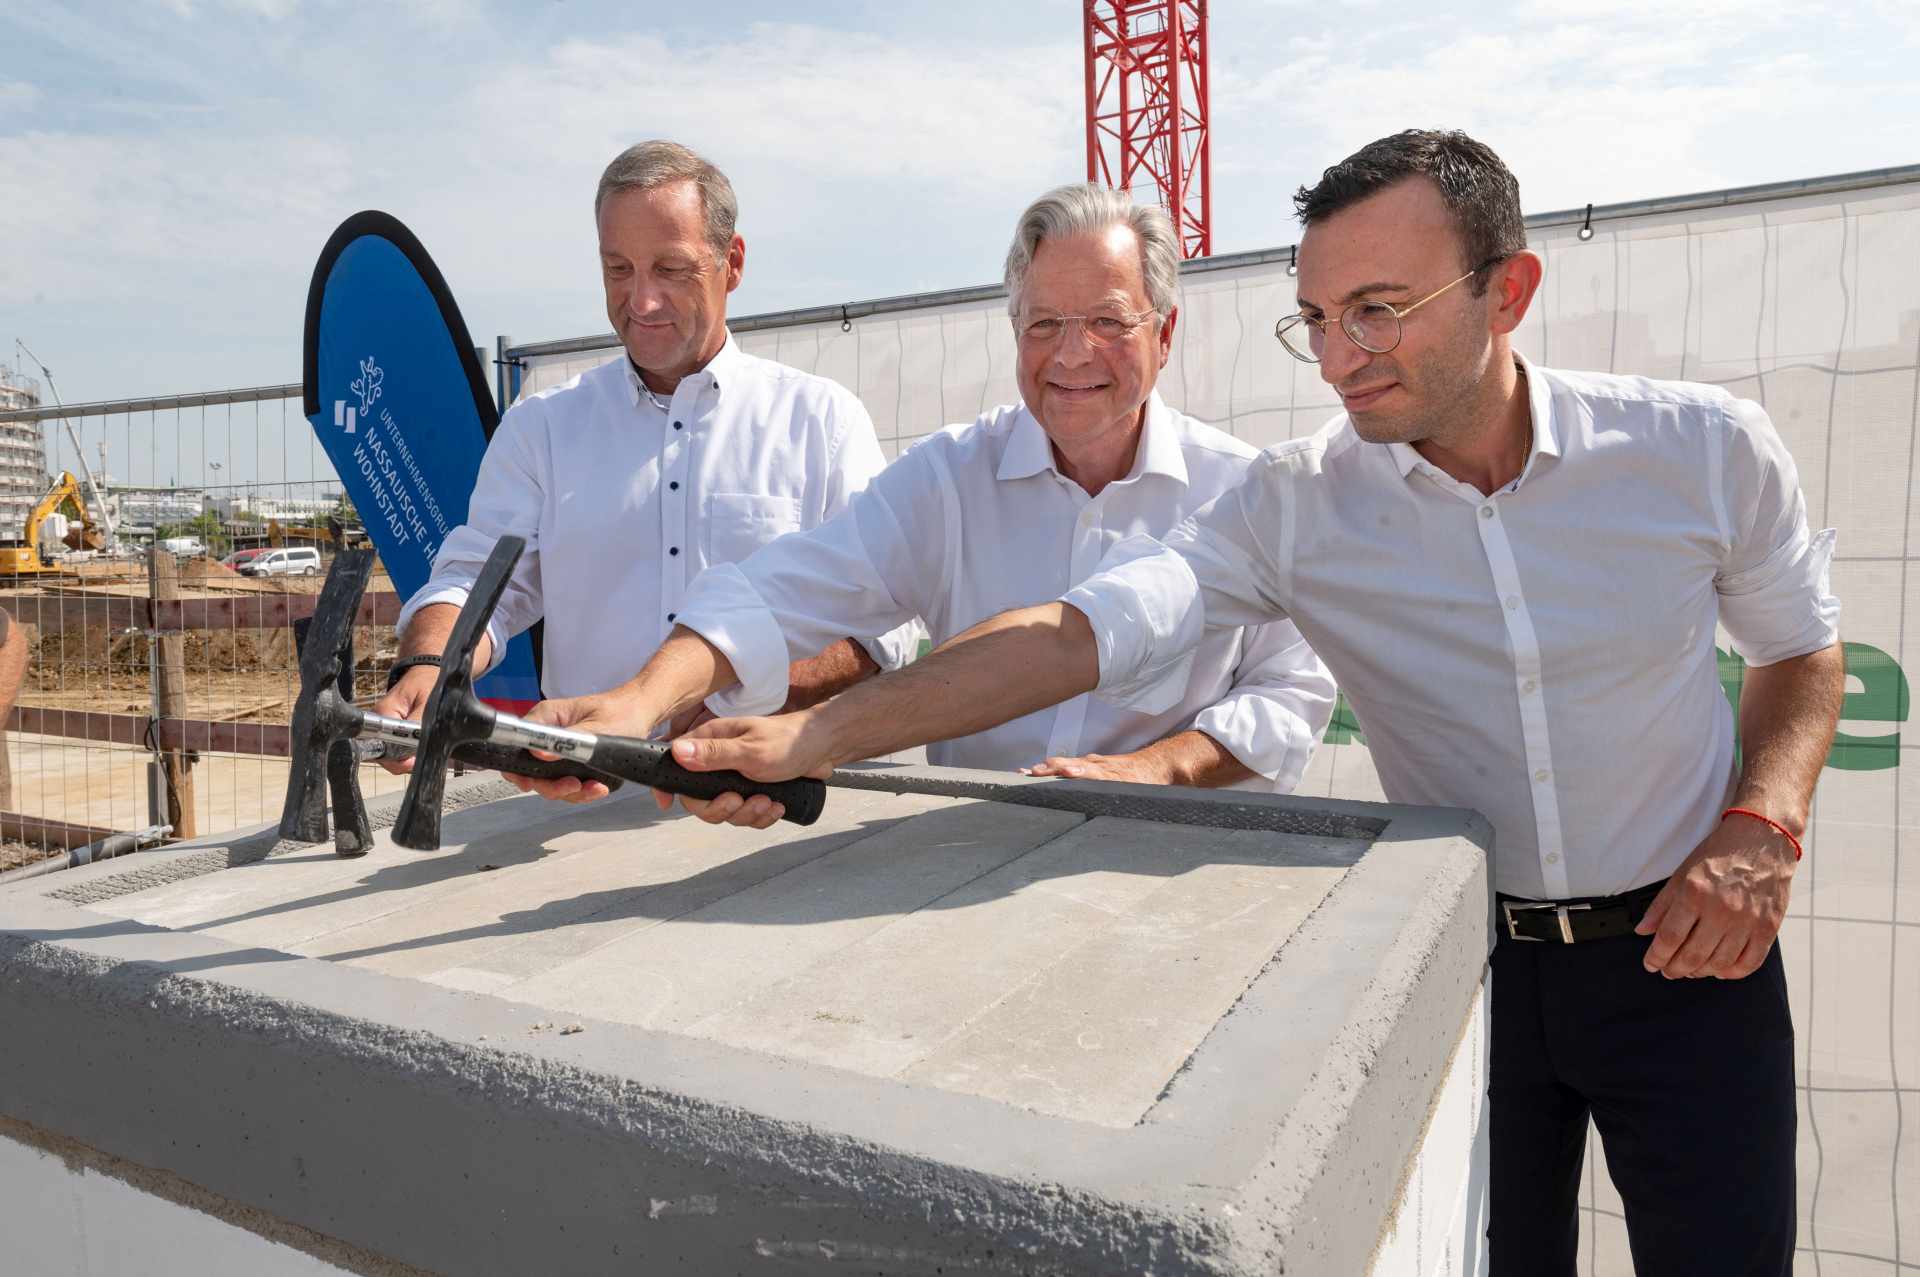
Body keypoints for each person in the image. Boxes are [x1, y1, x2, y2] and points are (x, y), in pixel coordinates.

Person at [556, 131, 1844, 1275]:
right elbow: (1079, 631)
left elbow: (1802, 649)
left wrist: (1763, 823)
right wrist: (804, 730)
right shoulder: (1295, 506)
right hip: (1470, 965)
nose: (1341, 357)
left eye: (1380, 310)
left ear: (1508, 289)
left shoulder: (1701, 449)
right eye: (1318, 316)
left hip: (1694, 955)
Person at [509, 184, 1336, 824]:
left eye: (1107, 321)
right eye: (1043, 321)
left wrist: (1160, 766)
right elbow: (780, 587)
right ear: (1012, 328)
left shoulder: (1241, 489)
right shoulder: (951, 479)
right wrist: (644, 700)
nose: (1072, 353)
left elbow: (1291, 694)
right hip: (966, 855)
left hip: (1172, 857)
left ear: (1166, 330)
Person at [376, 140, 912, 754]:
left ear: (731, 263)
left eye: (671, 269)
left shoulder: (821, 421)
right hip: (583, 799)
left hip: (772, 798)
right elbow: (480, 580)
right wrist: (426, 667)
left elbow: (884, 625)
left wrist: (751, 707)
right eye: (618, 269)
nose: (642, 301)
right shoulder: (544, 427)